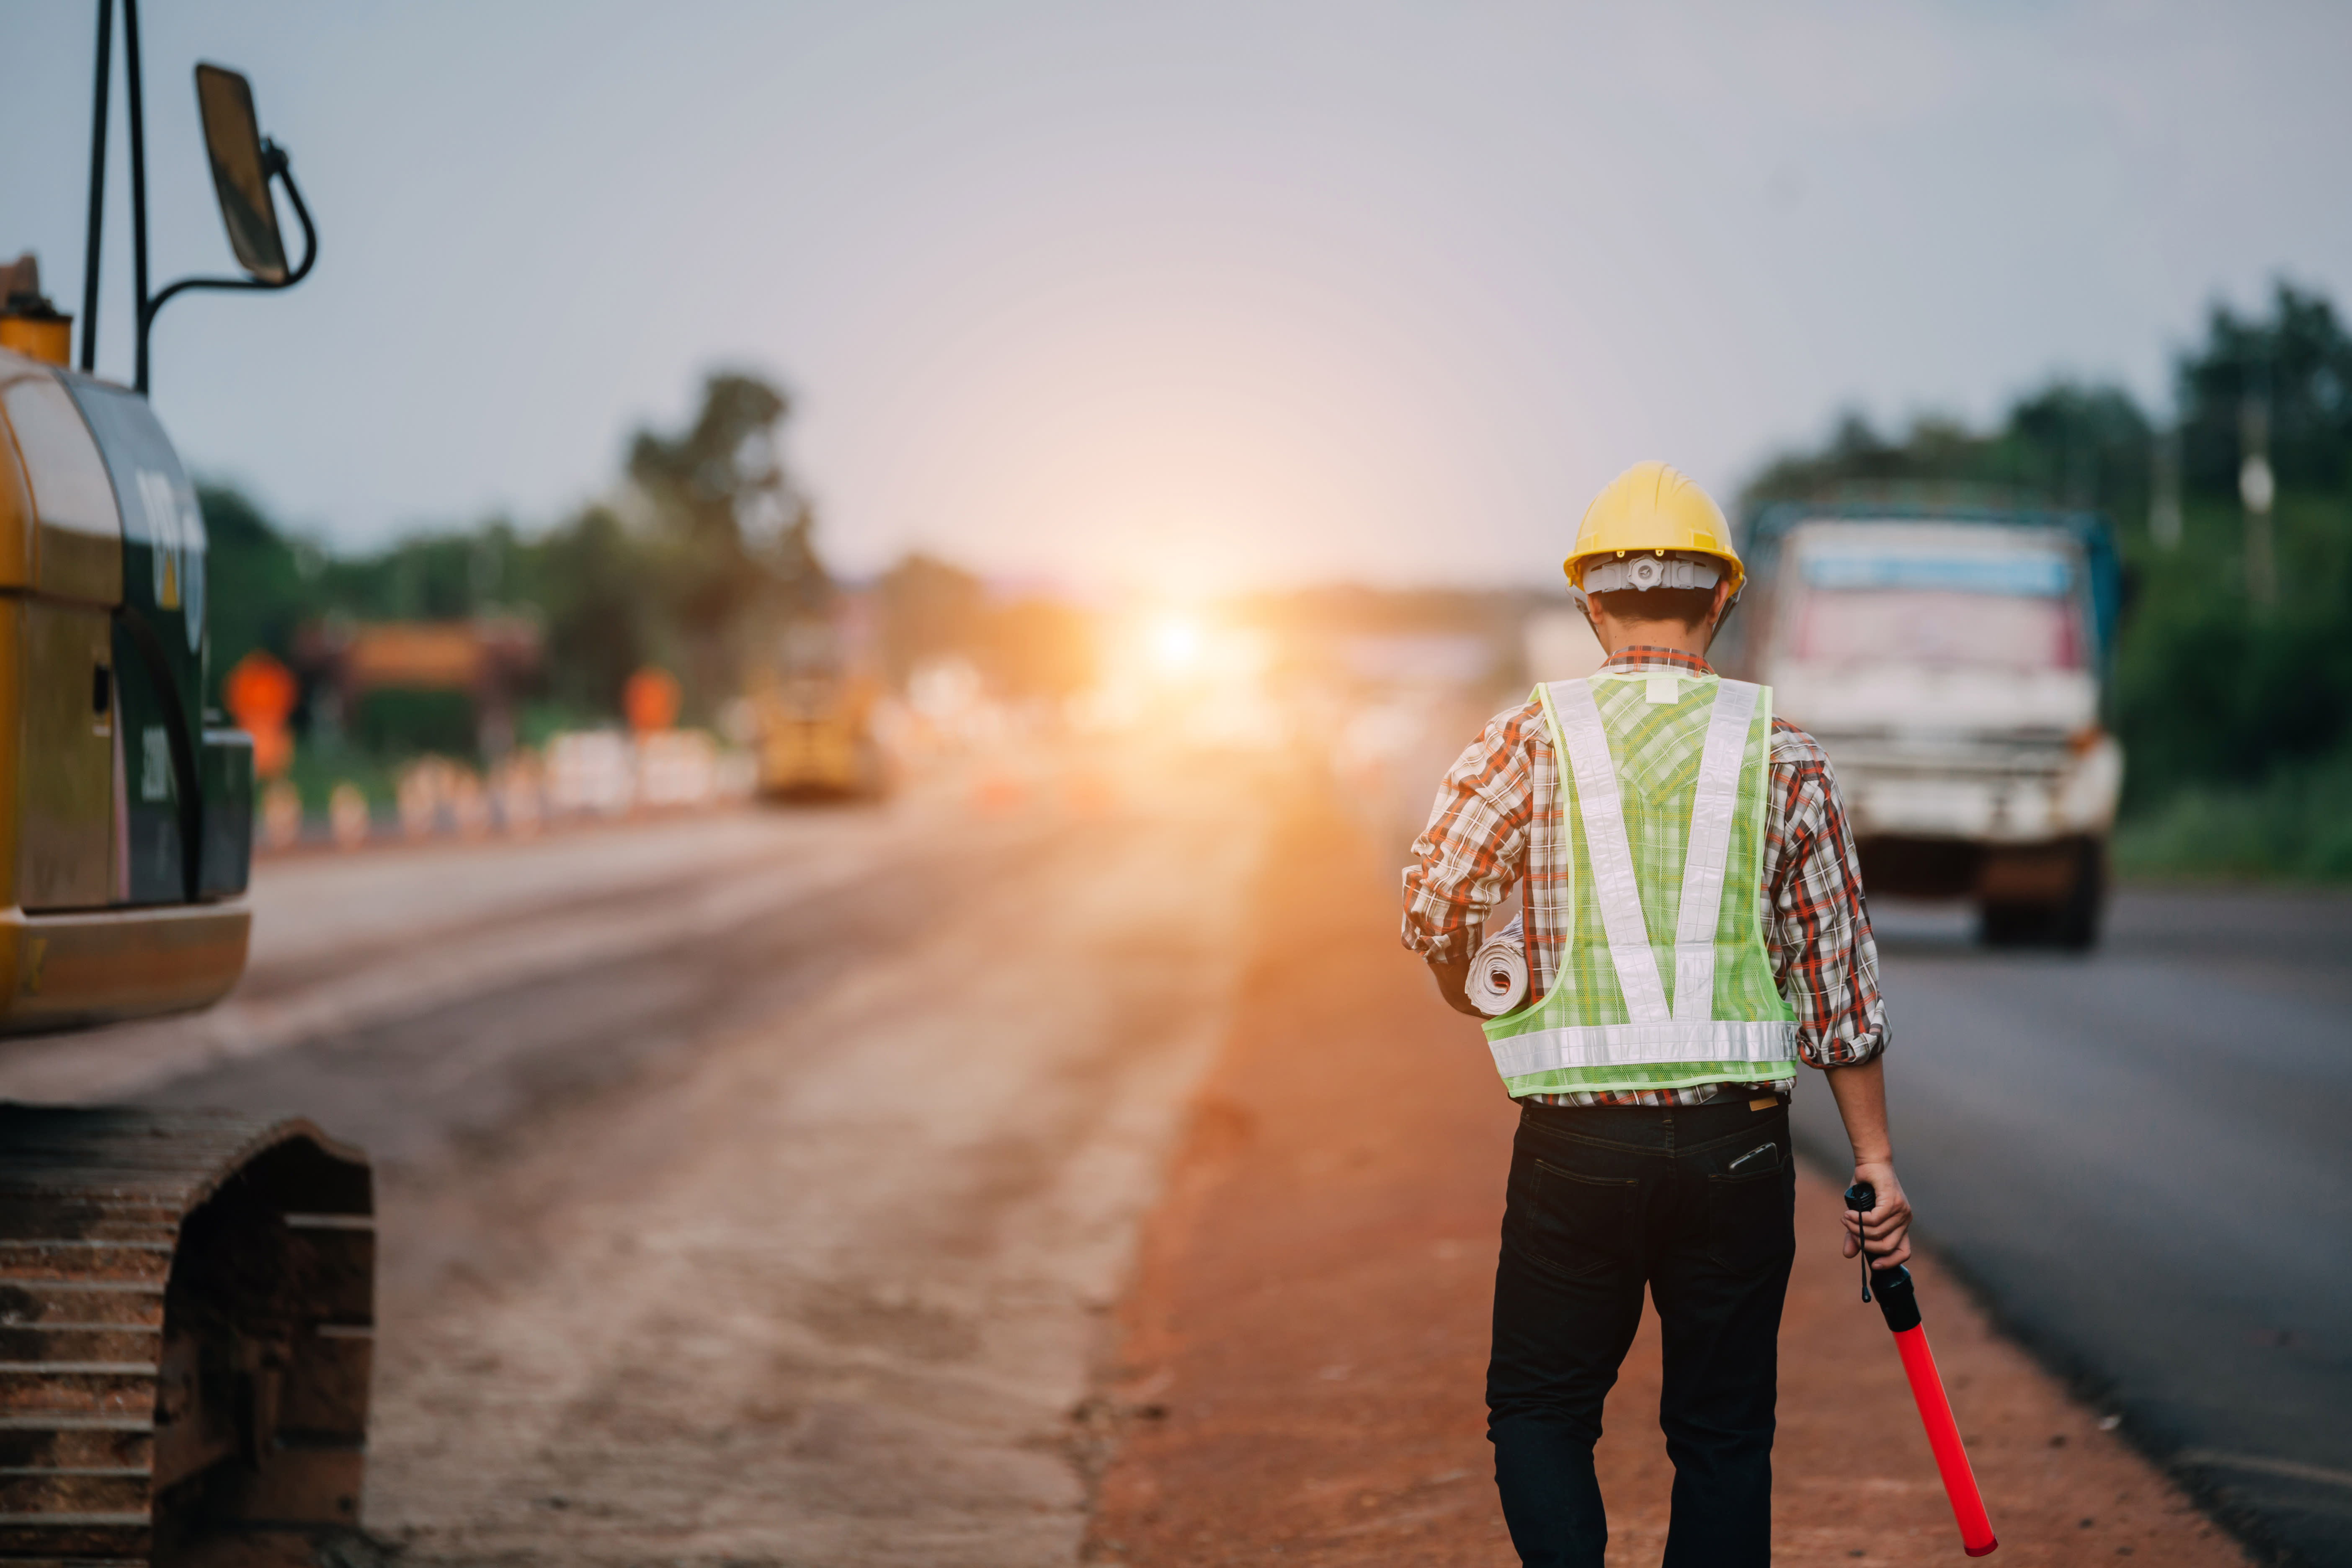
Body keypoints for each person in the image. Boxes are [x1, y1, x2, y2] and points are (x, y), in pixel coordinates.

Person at [1400, 461, 1910, 1567]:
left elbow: (1433, 900)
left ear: (1590, 602)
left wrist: (1483, 971)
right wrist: (1873, 1159)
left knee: (1540, 1410)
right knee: (1724, 1438)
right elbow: (1842, 988)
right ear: (1723, 598)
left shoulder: (1528, 740)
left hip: (1576, 1149)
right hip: (1740, 1153)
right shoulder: (1788, 757)